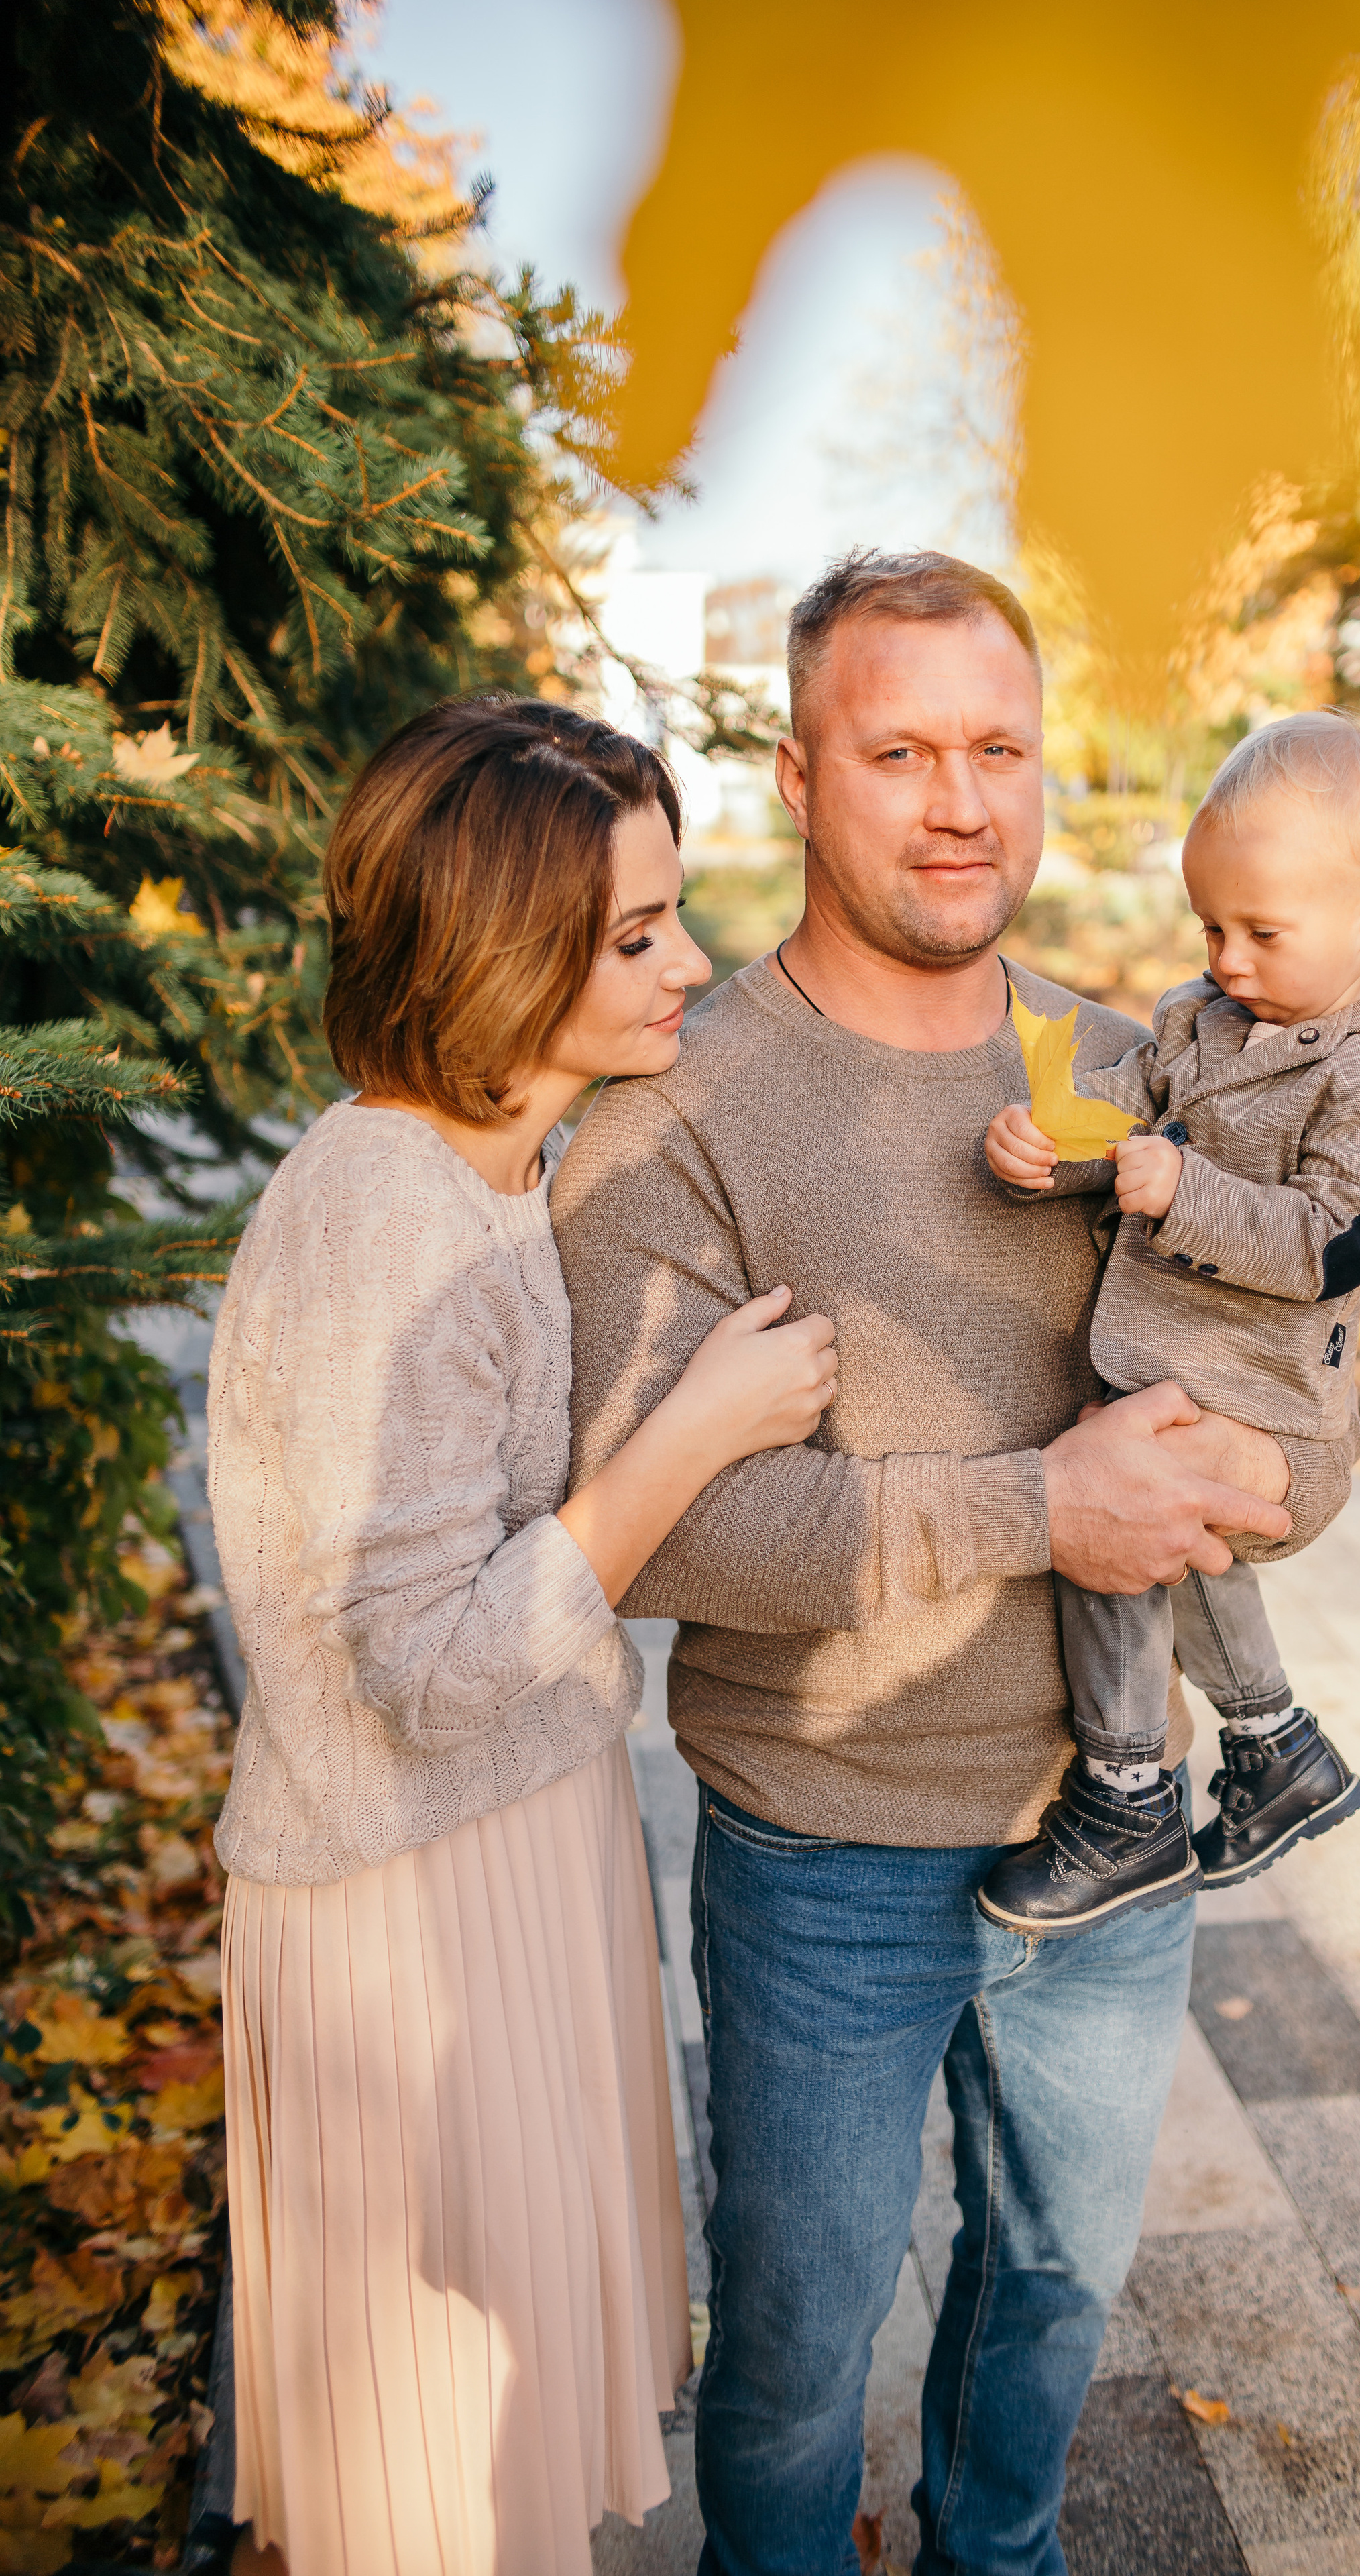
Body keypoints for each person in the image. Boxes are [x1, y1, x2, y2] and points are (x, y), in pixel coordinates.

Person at [551, 551, 1359, 2576]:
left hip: (1119, 1839)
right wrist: (1043, 1508)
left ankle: (999, 2559)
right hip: (825, 1851)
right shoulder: (679, 1106)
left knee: (1054, 2297)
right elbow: (660, 1535)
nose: (958, 801)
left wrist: (1268, 1470)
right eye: (899, 749)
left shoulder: (1128, 1070)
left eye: (999, 748)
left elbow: (1310, 1413)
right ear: (799, 773)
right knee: (799, 2352)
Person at [207, 697, 837, 2576]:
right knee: (435, 2493)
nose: (695, 962)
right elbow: (420, 1664)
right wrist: (689, 1440)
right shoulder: (381, 1226)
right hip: (409, 1918)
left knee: (513, 2464)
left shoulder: (487, 1173)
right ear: (497, 949)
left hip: (513, 1855)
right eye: (639, 936)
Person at [980, 711, 1360, 1933]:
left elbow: (1334, 1245)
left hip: (1269, 1406)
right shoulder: (1201, 1018)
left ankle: (1127, 1796)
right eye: (1211, 926)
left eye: (1263, 931)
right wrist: (1058, 1150)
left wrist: (1183, 1191)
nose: (1229, 957)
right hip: (1173, 1379)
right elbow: (1133, 1126)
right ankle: (1274, 1749)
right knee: (1148, 1530)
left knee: (1107, 1529)